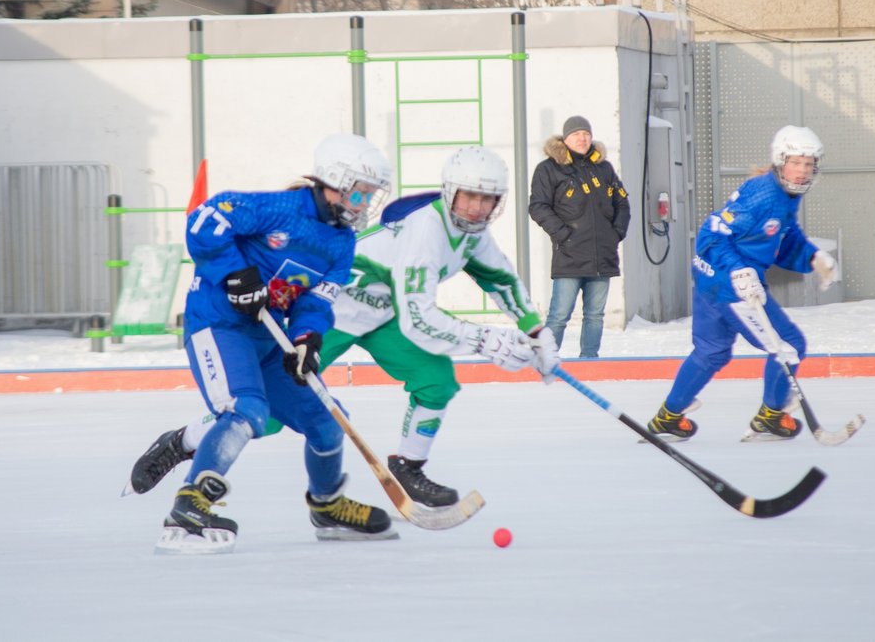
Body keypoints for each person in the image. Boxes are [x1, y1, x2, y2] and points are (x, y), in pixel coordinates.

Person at [130, 145, 559, 509]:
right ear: (451, 192)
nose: (478, 208)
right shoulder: (424, 231)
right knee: (269, 413)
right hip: (344, 310)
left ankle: (407, 468)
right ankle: (186, 441)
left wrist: (536, 331)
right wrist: (486, 339)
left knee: (436, 381)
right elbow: (421, 320)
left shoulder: (471, 234)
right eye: (470, 197)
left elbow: (500, 278)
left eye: (488, 199)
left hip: (385, 315)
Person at [152, 133, 396, 554]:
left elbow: (317, 299)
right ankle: (191, 504)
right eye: (360, 192)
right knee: (246, 409)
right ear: (333, 181)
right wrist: (236, 274)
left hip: (268, 334)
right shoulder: (281, 209)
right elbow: (205, 220)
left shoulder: (342, 243)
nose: (364, 203)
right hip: (218, 323)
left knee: (327, 419)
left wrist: (306, 338)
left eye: (370, 195)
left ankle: (327, 505)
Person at [646, 125, 840, 442]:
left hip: (710, 278)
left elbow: (781, 237)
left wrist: (812, 257)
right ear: (780, 161)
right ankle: (770, 418)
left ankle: (668, 417)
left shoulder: (784, 194)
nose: (803, 171)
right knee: (789, 345)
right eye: (796, 162)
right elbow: (712, 233)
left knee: (711, 352)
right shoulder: (765, 195)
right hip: (730, 284)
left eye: (808, 164)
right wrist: (739, 271)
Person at [528, 115, 631, 358]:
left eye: (586, 134)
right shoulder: (549, 169)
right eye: (576, 134)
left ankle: (589, 362)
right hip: (569, 255)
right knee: (559, 315)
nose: (582, 138)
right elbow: (538, 207)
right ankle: (545, 360)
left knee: (595, 316)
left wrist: (615, 234)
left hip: (602, 256)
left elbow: (622, 203)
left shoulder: (603, 168)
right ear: (565, 139)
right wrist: (564, 235)